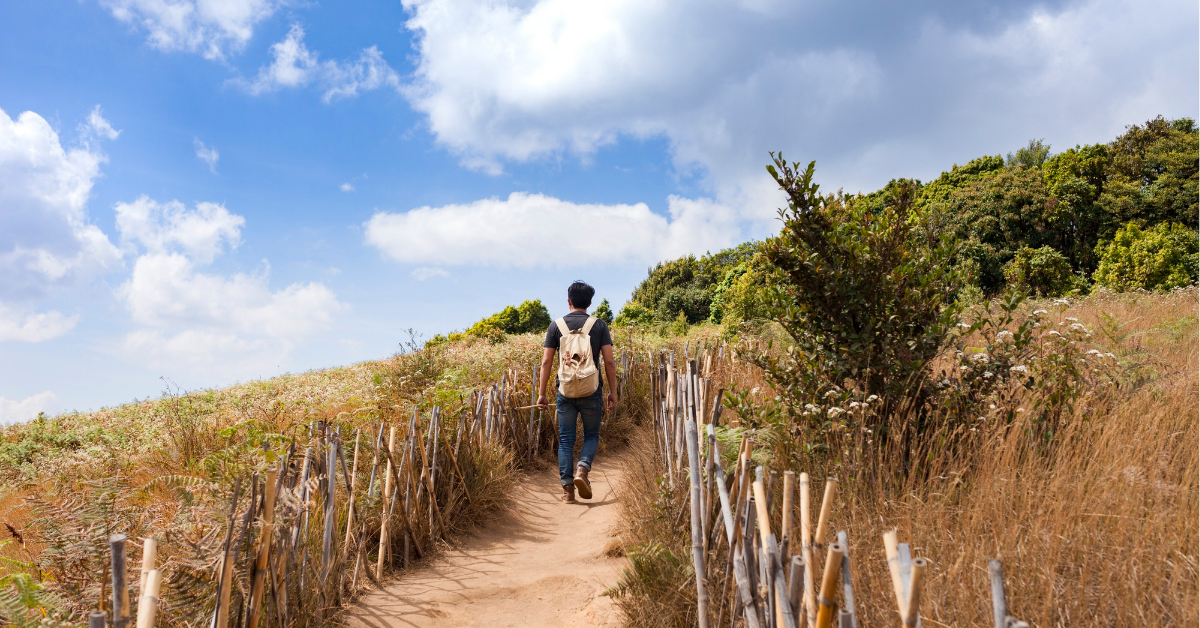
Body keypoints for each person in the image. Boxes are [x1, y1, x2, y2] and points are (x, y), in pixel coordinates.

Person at [536, 280, 617, 503]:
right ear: (590, 303)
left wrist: (542, 394)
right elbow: (609, 362)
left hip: (565, 391)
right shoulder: (599, 325)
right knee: (591, 435)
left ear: (569, 301)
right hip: (592, 389)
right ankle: (582, 469)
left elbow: (546, 362)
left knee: (565, 440)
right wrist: (613, 392)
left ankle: (567, 490)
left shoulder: (556, 326)